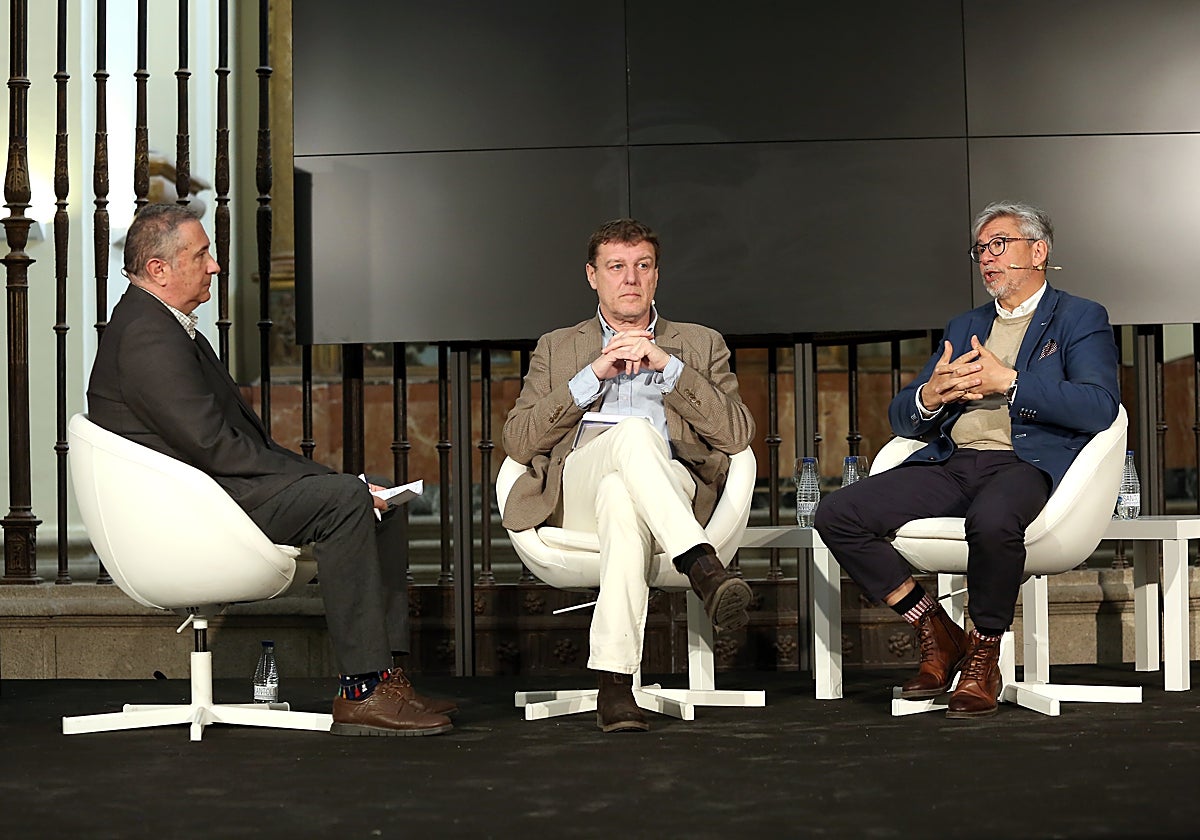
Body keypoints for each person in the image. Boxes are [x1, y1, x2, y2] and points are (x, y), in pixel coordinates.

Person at [87, 203, 457, 737]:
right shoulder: (147, 335)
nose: (215, 266)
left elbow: (231, 444)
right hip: (198, 510)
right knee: (349, 501)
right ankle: (362, 690)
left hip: (214, 494)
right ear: (159, 269)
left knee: (382, 505)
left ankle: (388, 677)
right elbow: (216, 446)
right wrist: (338, 486)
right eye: (202, 254)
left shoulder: (160, 325)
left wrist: (342, 482)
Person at [814, 201, 1119, 719]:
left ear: (1038, 251)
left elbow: (1099, 405)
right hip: (954, 463)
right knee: (837, 514)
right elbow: (901, 418)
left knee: (993, 518)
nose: (987, 258)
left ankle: (984, 653)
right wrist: (929, 397)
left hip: (1025, 465)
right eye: (981, 249)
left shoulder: (1078, 317)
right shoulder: (966, 323)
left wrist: (1014, 383)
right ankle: (935, 629)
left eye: (999, 245)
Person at [502, 218, 756, 733]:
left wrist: (669, 367)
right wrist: (591, 376)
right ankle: (703, 567)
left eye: (642, 266)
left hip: (670, 483)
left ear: (656, 276)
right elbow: (519, 441)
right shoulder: (558, 347)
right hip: (576, 487)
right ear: (593, 276)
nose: (630, 279)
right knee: (632, 435)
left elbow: (737, 433)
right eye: (617, 267)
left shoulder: (699, 343)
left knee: (625, 491)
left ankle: (615, 686)